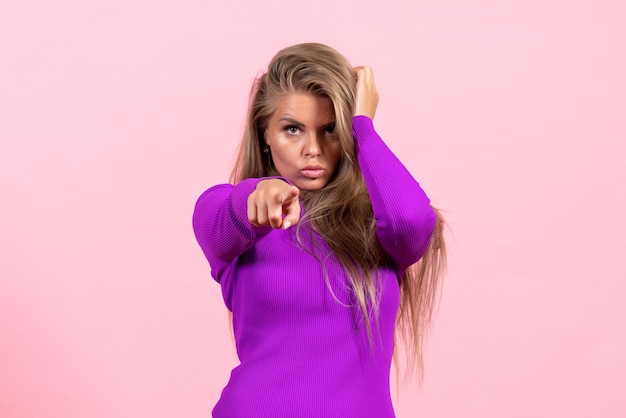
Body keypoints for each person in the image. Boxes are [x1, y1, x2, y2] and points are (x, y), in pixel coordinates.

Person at [192, 43, 446, 418]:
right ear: (264, 131)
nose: (313, 149)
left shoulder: (377, 227)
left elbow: (411, 221)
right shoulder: (235, 218)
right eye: (292, 129)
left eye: (330, 130)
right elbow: (219, 215)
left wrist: (363, 128)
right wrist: (258, 193)